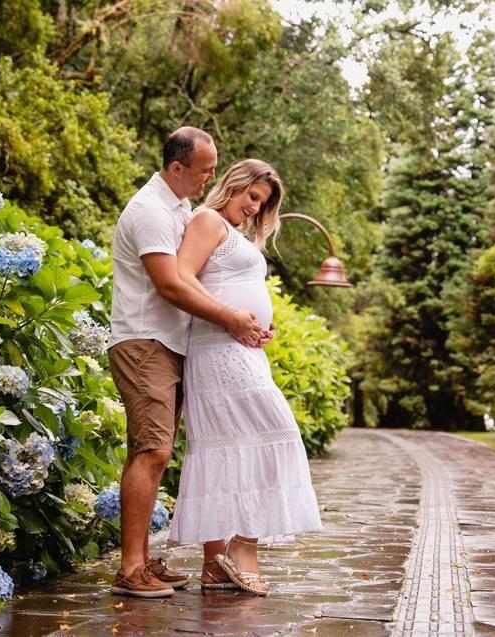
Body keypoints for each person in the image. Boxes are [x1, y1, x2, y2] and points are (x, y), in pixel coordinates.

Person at [107, 128, 270, 598]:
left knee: (155, 451)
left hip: (172, 344)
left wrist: (248, 322)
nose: (210, 179)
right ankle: (130, 569)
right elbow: (172, 286)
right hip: (144, 341)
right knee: (152, 450)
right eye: (204, 171)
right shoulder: (150, 212)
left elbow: (205, 278)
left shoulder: (178, 208)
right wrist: (232, 319)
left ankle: (141, 561)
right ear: (177, 167)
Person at [168, 159, 322, 596]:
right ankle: (242, 549)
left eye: (264, 202)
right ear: (232, 185)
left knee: (230, 445)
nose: (255, 207)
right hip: (216, 348)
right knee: (274, 431)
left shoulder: (235, 234)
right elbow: (181, 277)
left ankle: (215, 566)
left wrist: (257, 325)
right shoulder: (207, 219)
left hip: (241, 347)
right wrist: (233, 317)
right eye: (252, 196)